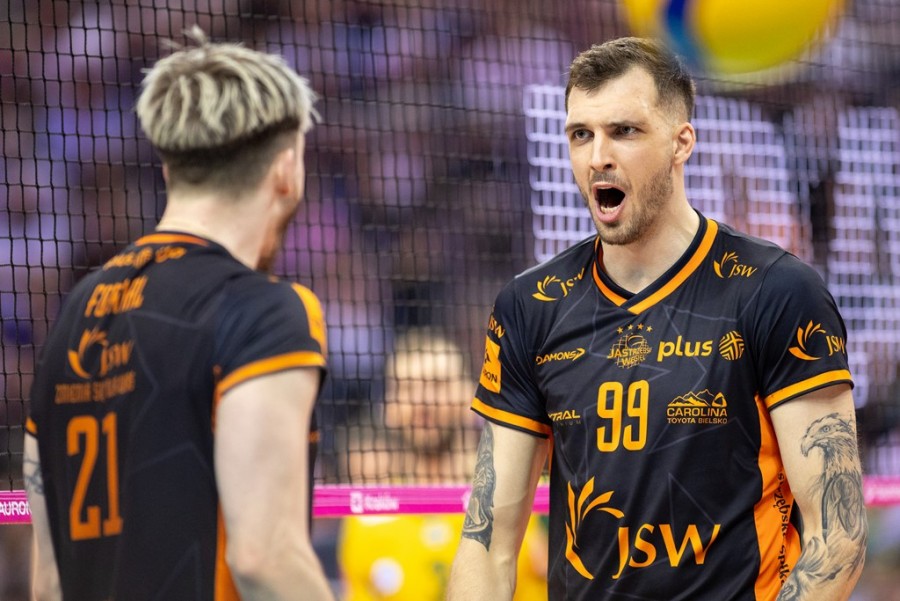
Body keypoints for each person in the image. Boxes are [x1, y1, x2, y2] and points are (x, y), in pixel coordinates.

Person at [448, 37, 867, 600]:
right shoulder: (531, 305)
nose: (598, 156)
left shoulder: (777, 291)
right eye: (581, 134)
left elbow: (837, 537)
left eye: (624, 131)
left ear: (681, 142)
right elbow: (488, 542)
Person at [23, 28, 335, 601]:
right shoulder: (266, 311)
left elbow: (47, 583)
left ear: (169, 168)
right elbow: (265, 558)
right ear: (286, 168)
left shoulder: (73, 314)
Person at [337, 328, 547, 600]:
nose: (423, 402)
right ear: (389, 407)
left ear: (470, 396)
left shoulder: (532, 491)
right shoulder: (366, 510)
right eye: (408, 388)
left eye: (437, 385)